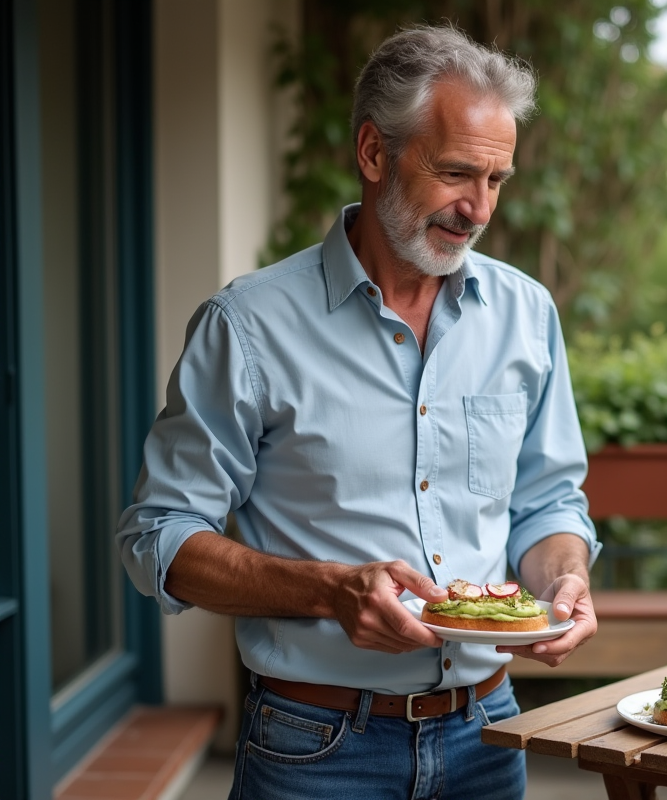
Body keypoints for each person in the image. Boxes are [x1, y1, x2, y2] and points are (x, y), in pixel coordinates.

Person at [117, 25, 599, 800]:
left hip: (489, 734)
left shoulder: (527, 315)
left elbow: (547, 503)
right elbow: (158, 537)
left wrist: (565, 579)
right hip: (316, 749)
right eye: (454, 173)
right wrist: (329, 592)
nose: (478, 209)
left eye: (497, 179)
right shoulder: (248, 324)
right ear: (375, 153)